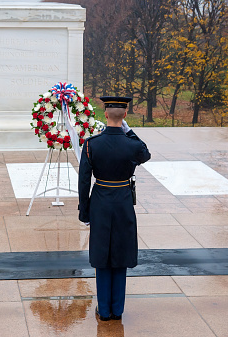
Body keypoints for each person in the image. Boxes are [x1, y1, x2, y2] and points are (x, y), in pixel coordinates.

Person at [78, 96, 151, 321]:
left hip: (100, 200)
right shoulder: (133, 145)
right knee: (120, 253)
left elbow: (83, 181)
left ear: (105, 115)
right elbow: (145, 154)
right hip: (122, 201)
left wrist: (84, 213)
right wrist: (129, 132)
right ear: (125, 116)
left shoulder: (92, 144)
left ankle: (105, 309)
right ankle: (117, 310)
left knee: (102, 255)